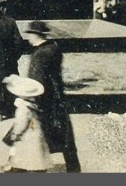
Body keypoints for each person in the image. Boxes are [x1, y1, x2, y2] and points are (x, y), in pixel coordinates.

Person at [24, 20, 81, 173]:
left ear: (36, 35)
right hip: (58, 99)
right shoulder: (54, 48)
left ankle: (35, 170)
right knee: (65, 137)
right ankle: (74, 169)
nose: (28, 37)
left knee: (37, 136)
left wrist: (29, 97)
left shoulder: (39, 54)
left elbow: (36, 81)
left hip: (44, 101)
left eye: (30, 34)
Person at [1, 75, 51, 173]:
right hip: (35, 133)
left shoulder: (23, 108)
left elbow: (21, 123)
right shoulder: (33, 105)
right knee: (36, 153)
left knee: (22, 153)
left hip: (26, 136)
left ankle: (17, 168)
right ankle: (38, 168)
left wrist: (16, 133)